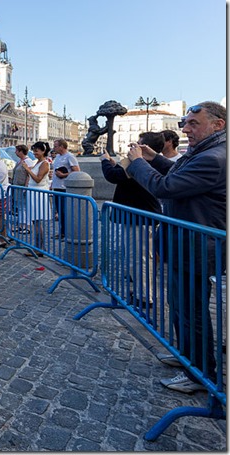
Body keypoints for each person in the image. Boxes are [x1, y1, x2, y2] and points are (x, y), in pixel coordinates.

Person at [127, 101, 226, 394]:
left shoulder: (214, 157)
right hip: (185, 243)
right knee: (181, 306)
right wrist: (154, 156)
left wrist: (136, 163)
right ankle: (187, 358)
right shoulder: (208, 151)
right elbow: (176, 173)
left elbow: (165, 187)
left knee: (191, 310)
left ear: (218, 124)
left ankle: (199, 373)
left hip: (194, 246)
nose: (185, 129)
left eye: (194, 123)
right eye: (185, 122)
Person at [101, 131, 163, 309]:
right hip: (139, 214)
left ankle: (144, 296)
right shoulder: (142, 163)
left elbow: (114, 176)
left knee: (140, 257)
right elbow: (120, 174)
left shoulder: (141, 163)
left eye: (139, 143)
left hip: (140, 216)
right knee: (137, 256)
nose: (134, 146)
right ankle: (140, 290)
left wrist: (105, 160)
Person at [23, 142, 52, 256]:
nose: (35, 153)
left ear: (43, 151)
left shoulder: (44, 163)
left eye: (37, 151)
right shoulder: (38, 163)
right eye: (34, 151)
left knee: (37, 221)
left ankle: (39, 248)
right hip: (34, 193)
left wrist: (28, 170)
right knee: (35, 221)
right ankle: (39, 247)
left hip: (38, 194)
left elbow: (38, 179)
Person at [50, 139, 80, 238]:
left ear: (62, 147)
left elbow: (77, 171)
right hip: (56, 187)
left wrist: (64, 175)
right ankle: (63, 231)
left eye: (56, 146)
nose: (54, 148)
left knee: (64, 211)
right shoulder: (58, 157)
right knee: (59, 211)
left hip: (64, 187)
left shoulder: (70, 157)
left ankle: (67, 232)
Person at [11, 145, 33, 234]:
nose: (15, 152)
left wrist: (26, 187)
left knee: (24, 207)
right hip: (17, 187)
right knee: (20, 207)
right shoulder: (20, 161)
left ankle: (26, 225)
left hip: (22, 187)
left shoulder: (28, 161)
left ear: (21, 151)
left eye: (16, 151)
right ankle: (21, 224)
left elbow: (29, 175)